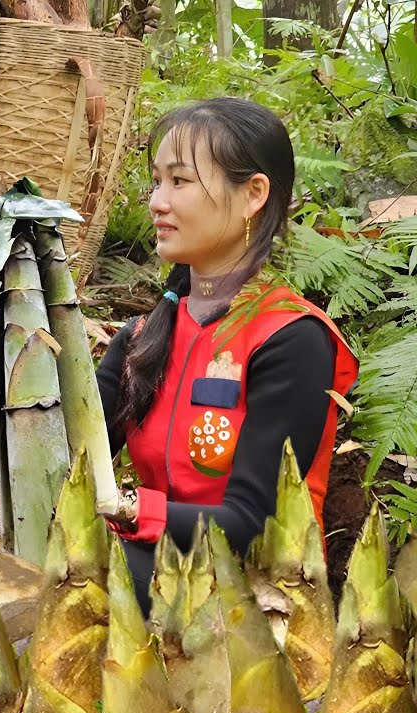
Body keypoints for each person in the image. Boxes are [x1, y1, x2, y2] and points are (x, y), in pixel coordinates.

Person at [95, 97, 359, 613]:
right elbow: (66, 456)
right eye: (157, 181)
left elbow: (249, 523)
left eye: (180, 181)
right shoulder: (143, 337)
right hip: (155, 567)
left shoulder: (290, 339)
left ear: (253, 194)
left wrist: (125, 509)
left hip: (258, 600)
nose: (156, 201)